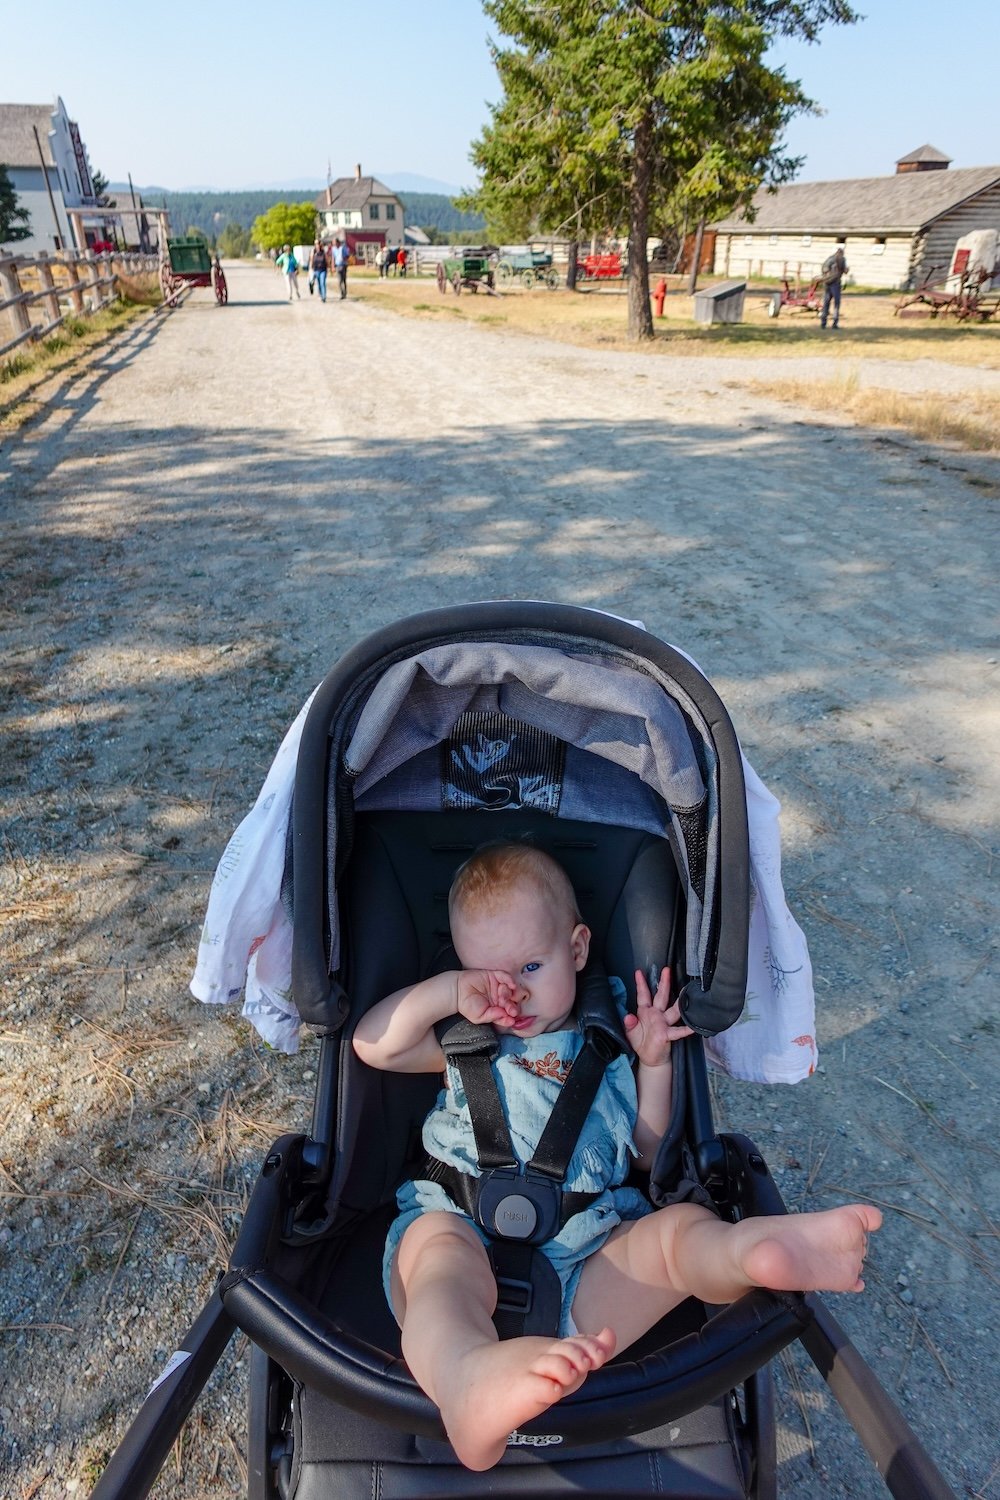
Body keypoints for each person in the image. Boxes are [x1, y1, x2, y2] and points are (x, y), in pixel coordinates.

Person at [353, 843, 881, 1473]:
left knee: (669, 1242)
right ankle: (468, 1380)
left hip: (584, 1251)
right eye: (487, 974)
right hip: (459, 1221)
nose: (511, 994)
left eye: (529, 965)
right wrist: (448, 993)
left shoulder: (608, 1046)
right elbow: (372, 1046)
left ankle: (747, 1253)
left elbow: (651, 1148)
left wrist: (653, 1064)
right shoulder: (467, 1040)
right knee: (436, 1266)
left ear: (577, 949)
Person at [820, 242, 848, 329]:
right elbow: (845, 271)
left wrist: (827, 276)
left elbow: (824, 269)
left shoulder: (832, 259)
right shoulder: (839, 259)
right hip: (834, 283)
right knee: (834, 303)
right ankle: (832, 323)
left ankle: (825, 323)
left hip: (829, 282)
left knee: (828, 303)